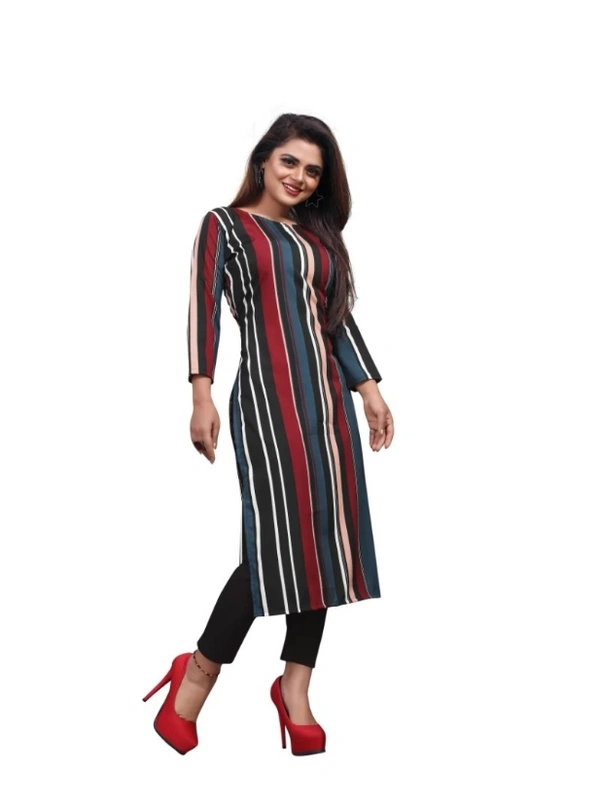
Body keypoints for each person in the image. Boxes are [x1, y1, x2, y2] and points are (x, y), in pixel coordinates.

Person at [142, 113, 395, 756]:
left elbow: (336, 320)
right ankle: (197, 674)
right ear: (263, 160)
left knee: (326, 538)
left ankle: (296, 686)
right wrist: (200, 393)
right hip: (265, 401)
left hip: (329, 407)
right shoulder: (225, 225)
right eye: (290, 162)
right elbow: (202, 306)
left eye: (313, 171)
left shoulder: (317, 240)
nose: (300, 177)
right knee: (278, 540)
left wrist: (368, 389)